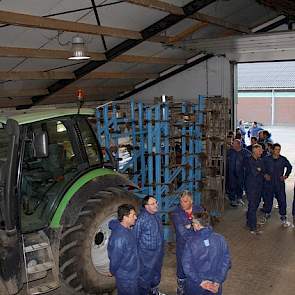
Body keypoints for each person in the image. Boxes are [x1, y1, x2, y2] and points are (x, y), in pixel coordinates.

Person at [182, 211, 231, 295]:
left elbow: (187, 266)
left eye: (193, 222)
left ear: (197, 224)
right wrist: (218, 281)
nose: (192, 225)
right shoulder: (220, 239)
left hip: (196, 286)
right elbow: (226, 262)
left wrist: (201, 282)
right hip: (215, 286)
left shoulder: (191, 242)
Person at [171, 191, 203, 295]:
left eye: (185, 201)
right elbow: (183, 233)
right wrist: (194, 226)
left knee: (196, 267)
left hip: (198, 246)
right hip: (183, 246)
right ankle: (180, 287)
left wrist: (189, 225)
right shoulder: (176, 212)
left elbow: (205, 226)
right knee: (182, 267)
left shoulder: (199, 209)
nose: (182, 204)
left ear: (191, 201)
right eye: (181, 201)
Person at [134, 195, 165, 295]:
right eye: (153, 204)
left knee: (156, 274)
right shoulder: (141, 219)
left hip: (158, 252)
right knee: (145, 277)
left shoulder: (157, 216)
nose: (156, 205)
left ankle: (154, 291)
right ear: (146, 206)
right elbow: (135, 237)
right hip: (146, 256)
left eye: (156, 202)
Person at [107, 204, 139, 295]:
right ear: (125, 218)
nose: (136, 217)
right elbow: (115, 259)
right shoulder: (119, 238)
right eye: (133, 215)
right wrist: (112, 271)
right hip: (127, 277)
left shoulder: (127, 228)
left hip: (132, 271)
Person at [262, 143, 292, 226]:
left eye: (279, 150)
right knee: (268, 199)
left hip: (279, 183)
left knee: (282, 200)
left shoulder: (283, 159)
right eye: (276, 149)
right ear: (272, 150)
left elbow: (289, 167)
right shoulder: (266, 159)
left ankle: (283, 216)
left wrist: (286, 175)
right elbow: (261, 167)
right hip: (269, 183)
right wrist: (264, 174)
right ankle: (267, 213)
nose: (278, 151)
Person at [244, 144, 269, 234]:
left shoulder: (260, 160)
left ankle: (249, 222)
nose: (262, 152)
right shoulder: (249, 160)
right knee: (253, 205)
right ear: (255, 151)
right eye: (260, 150)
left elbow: (263, 170)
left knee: (255, 204)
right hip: (251, 187)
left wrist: (261, 171)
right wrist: (262, 172)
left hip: (259, 186)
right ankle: (253, 227)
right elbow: (255, 172)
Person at [226, 139, 250, 207]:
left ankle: (239, 198)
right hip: (231, 172)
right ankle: (232, 199)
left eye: (234, 143)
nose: (232, 145)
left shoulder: (245, 152)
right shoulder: (230, 151)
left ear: (239, 145)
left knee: (240, 185)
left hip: (241, 173)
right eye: (233, 143)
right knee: (232, 185)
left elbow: (250, 162)